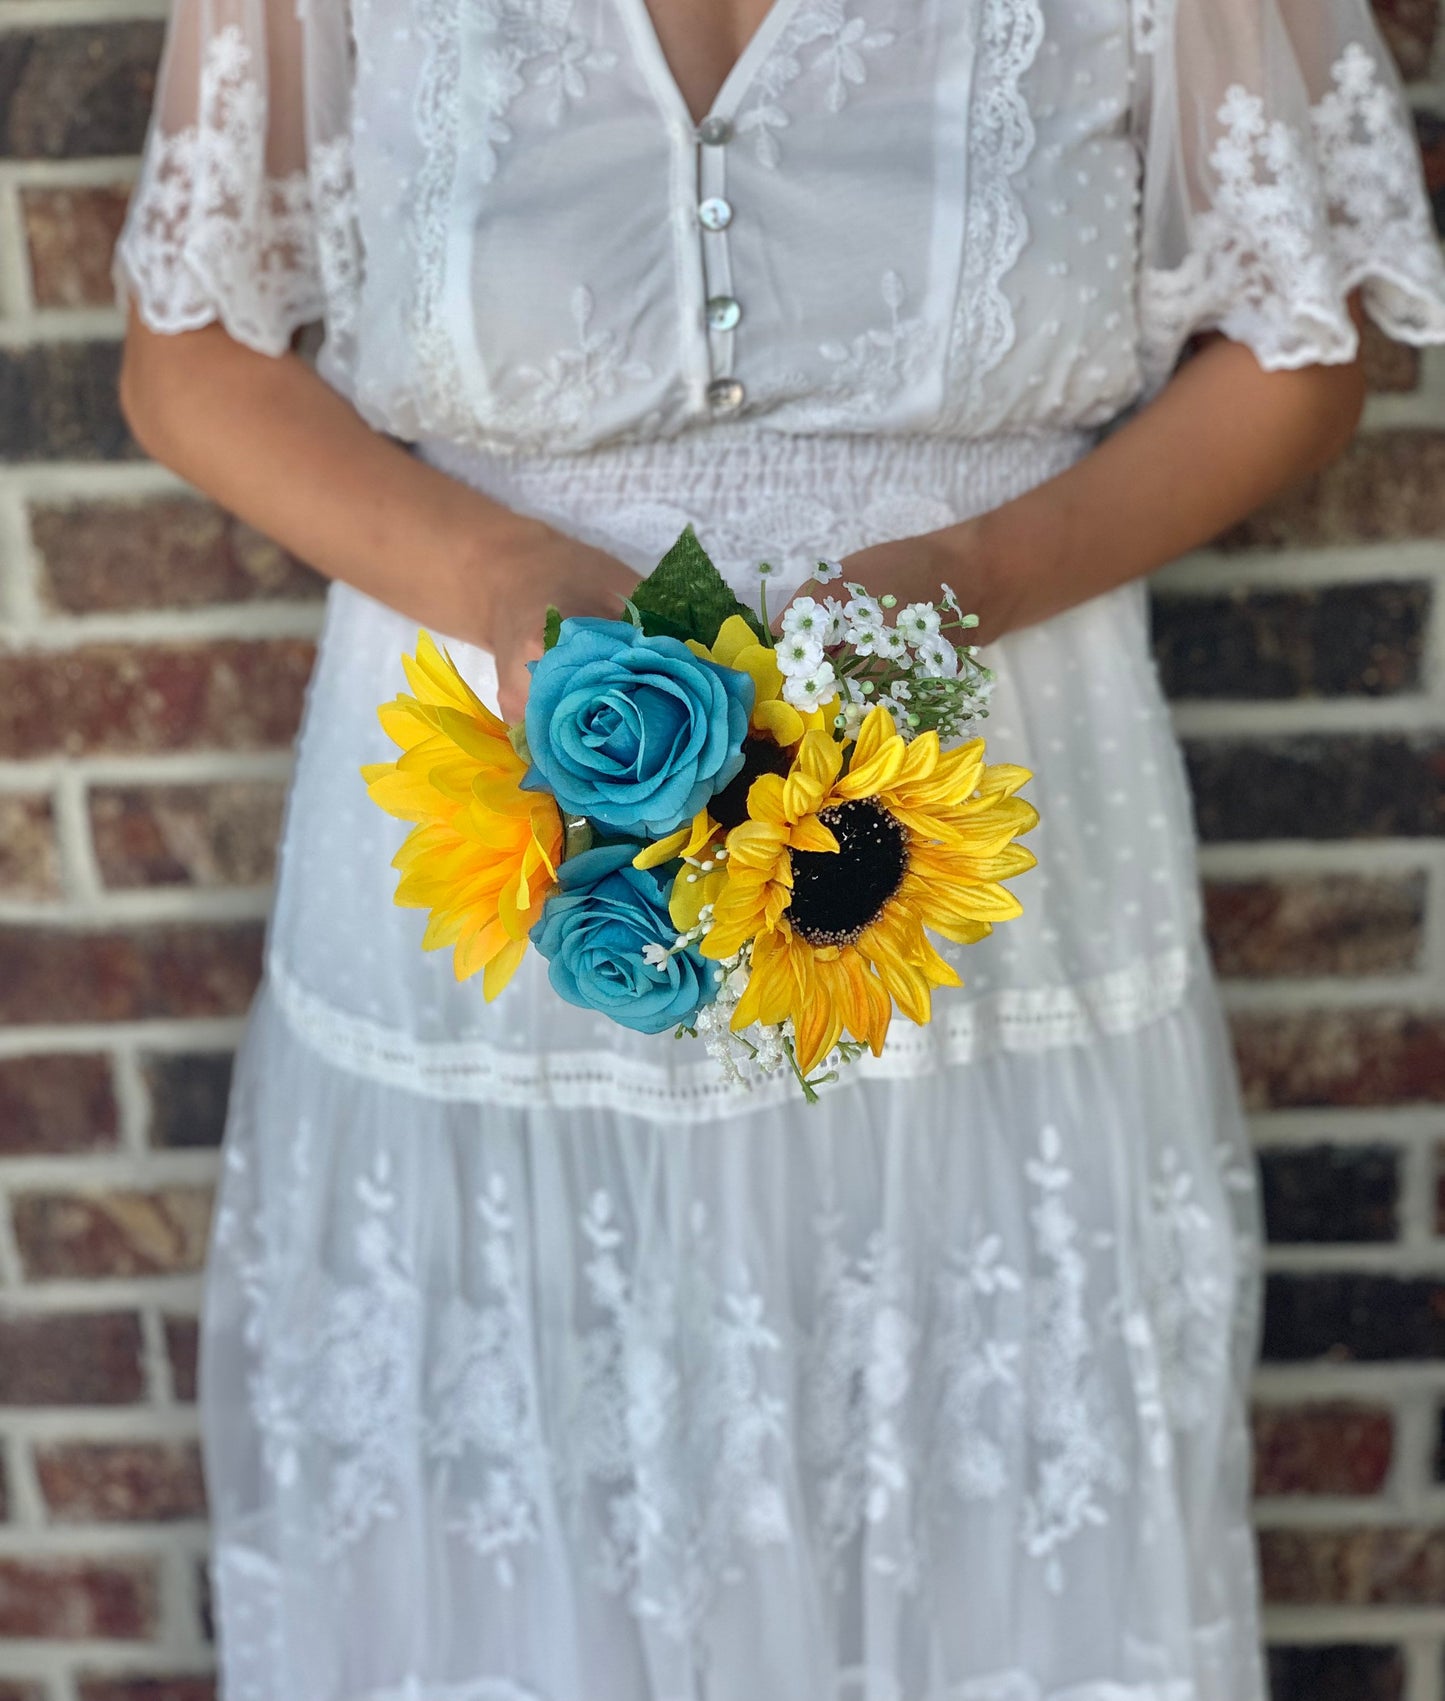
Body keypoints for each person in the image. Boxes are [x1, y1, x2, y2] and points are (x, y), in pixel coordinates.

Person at [114, 1, 1445, 1696]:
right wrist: (502, 589)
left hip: (971, 852)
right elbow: (189, 353)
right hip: (499, 855)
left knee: (967, 1496)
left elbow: (1299, 341)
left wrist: (974, 581)